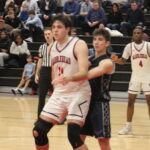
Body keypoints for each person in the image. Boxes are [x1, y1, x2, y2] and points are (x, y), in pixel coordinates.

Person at [32, 14, 91, 150]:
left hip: (78, 93)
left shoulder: (78, 44)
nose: (55, 30)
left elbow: (84, 72)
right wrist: (55, 84)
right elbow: (56, 69)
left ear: (68, 29)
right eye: (53, 27)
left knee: (73, 136)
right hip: (60, 93)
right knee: (38, 131)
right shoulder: (51, 47)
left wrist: (68, 78)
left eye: (59, 27)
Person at [80, 28, 114, 150]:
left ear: (107, 43)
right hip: (85, 103)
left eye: (100, 40)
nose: (96, 42)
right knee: (79, 138)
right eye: (94, 39)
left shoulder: (107, 62)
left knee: (103, 141)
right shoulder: (89, 59)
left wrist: (71, 77)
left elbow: (88, 75)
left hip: (100, 104)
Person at [112, 27, 150, 135]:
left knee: (149, 103)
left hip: (147, 77)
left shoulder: (148, 46)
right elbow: (123, 61)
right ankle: (128, 126)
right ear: (132, 35)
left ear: (142, 35)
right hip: (135, 77)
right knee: (130, 102)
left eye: (138, 33)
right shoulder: (129, 47)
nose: (136, 35)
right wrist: (116, 60)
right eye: (134, 33)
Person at [35, 28, 53, 117]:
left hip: (55, 72)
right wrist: (36, 74)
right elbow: (40, 61)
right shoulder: (42, 47)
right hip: (44, 71)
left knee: (57, 97)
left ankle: (59, 117)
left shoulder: (58, 45)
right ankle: (40, 116)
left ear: (53, 34)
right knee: (41, 96)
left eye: (49, 34)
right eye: (45, 34)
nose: (47, 36)